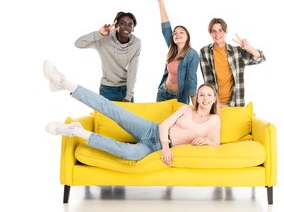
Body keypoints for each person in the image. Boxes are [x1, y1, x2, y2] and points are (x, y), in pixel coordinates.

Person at [43, 60, 220, 166]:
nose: (204, 98)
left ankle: (74, 130)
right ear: (197, 98)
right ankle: (63, 83)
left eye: (209, 95)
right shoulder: (185, 109)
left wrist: (206, 141)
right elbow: (165, 125)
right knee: (113, 109)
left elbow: (216, 143)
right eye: (202, 94)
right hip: (152, 130)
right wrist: (166, 147)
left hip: (153, 148)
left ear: (214, 99)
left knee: (128, 153)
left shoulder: (214, 120)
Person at [74, 12, 141, 102]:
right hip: (108, 89)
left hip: (126, 89)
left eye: (130, 25)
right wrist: (99, 34)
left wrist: (128, 96)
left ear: (133, 29)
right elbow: (78, 43)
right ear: (116, 25)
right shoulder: (104, 39)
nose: (126, 27)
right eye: (122, 23)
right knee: (105, 117)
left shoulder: (136, 43)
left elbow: (133, 70)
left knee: (128, 116)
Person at [199, 18, 266, 107]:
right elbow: (208, 80)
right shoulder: (205, 52)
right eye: (214, 31)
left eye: (220, 30)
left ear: (225, 32)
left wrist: (248, 47)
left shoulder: (236, 52)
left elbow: (260, 58)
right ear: (210, 33)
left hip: (235, 102)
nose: (217, 34)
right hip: (214, 104)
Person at [155, 0, 199, 105]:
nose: (177, 34)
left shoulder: (192, 54)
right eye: (175, 33)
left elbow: (191, 79)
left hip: (179, 97)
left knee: (177, 124)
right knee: (160, 122)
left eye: (181, 32)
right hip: (163, 93)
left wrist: (195, 105)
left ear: (187, 37)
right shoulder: (172, 49)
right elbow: (166, 27)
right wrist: (161, 2)